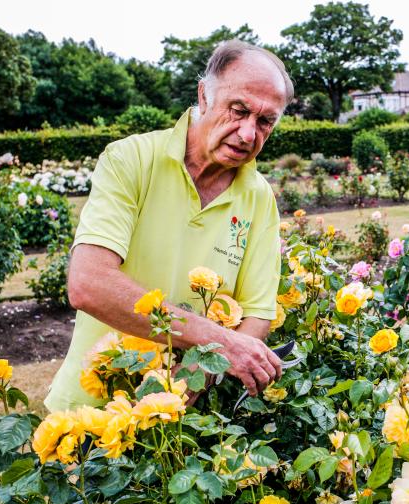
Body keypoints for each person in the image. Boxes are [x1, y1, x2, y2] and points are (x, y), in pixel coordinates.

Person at [44, 40, 295, 412]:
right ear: (204, 96)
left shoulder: (258, 197)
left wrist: (195, 373)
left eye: (264, 121)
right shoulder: (130, 159)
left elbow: (257, 312)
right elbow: (89, 283)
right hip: (90, 414)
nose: (248, 134)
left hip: (188, 427)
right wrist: (218, 342)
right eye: (239, 110)